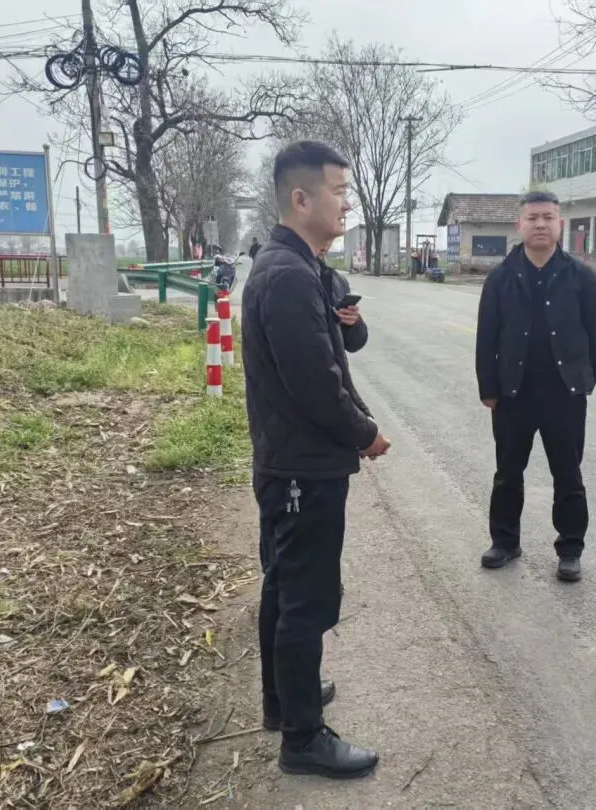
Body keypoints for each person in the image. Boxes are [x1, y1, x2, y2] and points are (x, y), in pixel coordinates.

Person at [242, 140, 390, 780]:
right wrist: (365, 433)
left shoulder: (297, 267)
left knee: (285, 586)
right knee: (306, 599)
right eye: (338, 191)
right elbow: (316, 385)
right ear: (301, 199)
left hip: (292, 461)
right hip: (303, 467)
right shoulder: (287, 275)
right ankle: (302, 739)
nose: (346, 203)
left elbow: (334, 356)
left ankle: (285, 700)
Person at [475, 190, 596, 582]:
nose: (540, 225)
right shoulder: (501, 278)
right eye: (532, 218)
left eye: (548, 217)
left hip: (564, 394)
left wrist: (586, 378)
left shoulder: (580, 277)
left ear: (559, 224)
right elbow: (487, 336)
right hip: (513, 394)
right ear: (519, 224)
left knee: (568, 473)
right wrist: (489, 387)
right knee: (507, 472)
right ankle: (505, 541)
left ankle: (570, 548)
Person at [318, 240, 368, 353]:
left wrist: (353, 323)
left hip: (330, 360)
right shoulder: (289, 275)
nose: (326, 242)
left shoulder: (338, 280)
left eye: (330, 238)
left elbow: (352, 344)